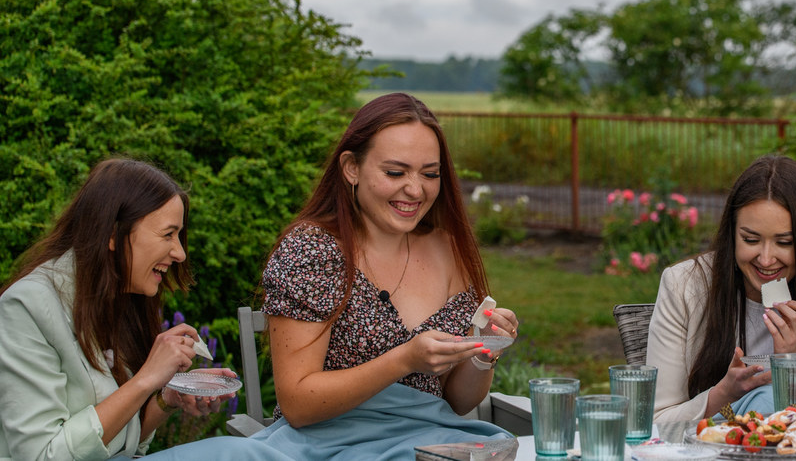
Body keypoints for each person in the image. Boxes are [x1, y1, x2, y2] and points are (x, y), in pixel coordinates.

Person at [167, 93, 517, 460]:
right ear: (351, 167)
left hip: (430, 442)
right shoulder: (312, 251)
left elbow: (458, 401)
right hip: (324, 445)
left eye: (430, 173)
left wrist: (483, 351)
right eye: (395, 172)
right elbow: (299, 405)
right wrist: (404, 359)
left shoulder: (449, 250)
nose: (416, 189)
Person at [0, 158, 236, 460]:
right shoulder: (25, 308)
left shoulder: (119, 297)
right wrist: (146, 379)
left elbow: (122, 445)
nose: (180, 253)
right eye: (168, 234)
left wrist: (166, 398)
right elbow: (40, 455)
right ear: (113, 234)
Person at [648, 155, 796, 424]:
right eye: (750, 239)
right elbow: (657, 421)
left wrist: (794, 363)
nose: (765, 259)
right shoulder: (683, 286)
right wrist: (723, 394)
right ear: (732, 234)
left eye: (784, 242)